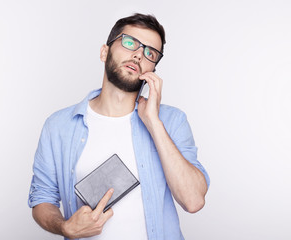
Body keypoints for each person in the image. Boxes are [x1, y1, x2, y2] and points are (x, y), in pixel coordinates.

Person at [28, 13, 210, 240]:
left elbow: (193, 201)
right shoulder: (58, 126)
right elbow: (42, 199)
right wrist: (65, 227)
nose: (138, 54)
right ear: (104, 51)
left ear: (152, 70)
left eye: (150, 53)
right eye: (129, 42)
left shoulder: (172, 121)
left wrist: (153, 122)